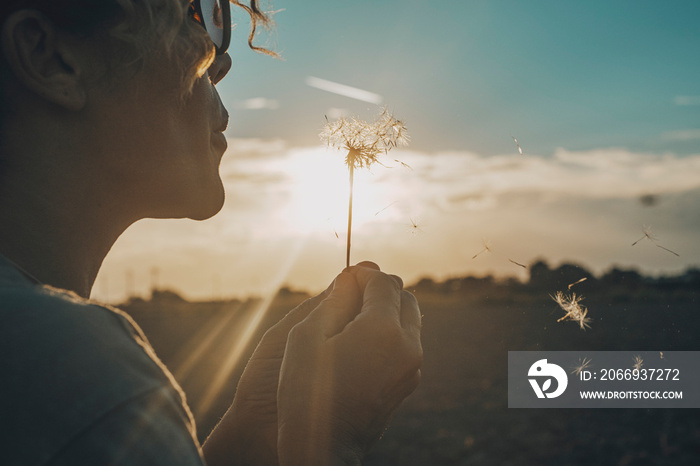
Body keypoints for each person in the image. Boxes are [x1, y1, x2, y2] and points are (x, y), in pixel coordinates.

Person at [0, 0, 423, 464]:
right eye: (188, 14)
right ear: (50, 57)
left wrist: (257, 428)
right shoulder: (72, 377)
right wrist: (327, 438)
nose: (219, 61)